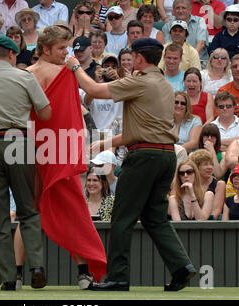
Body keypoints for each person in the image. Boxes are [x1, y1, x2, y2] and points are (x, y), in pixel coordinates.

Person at [67, 37, 196, 291]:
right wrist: (105, 143)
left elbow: (93, 90)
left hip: (144, 157)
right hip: (166, 155)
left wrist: (74, 66)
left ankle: (118, 277)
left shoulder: (139, 81)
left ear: (138, 58)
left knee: (122, 217)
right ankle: (182, 267)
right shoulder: (166, 86)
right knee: (154, 218)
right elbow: (141, 131)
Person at [0, 35, 50, 290]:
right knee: (27, 208)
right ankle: (36, 265)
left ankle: (8, 277)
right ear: (13, 55)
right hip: (18, 141)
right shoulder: (24, 77)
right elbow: (46, 112)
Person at [28, 26, 108, 289]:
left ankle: (15, 277)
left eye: (68, 48)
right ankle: (84, 272)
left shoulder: (25, 75)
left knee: (28, 215)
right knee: (75, 211)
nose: (67, 53)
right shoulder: (66, 72)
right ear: (46, 49)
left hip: (33, 150)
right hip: (59, 152)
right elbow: (89, 96)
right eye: (62, 48)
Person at [162, 0, 209, 65]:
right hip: (175, 63)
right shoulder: (167, 26)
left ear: (190, 10)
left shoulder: (200, 21)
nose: (180, 11)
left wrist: (190, 60)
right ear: (173, 11)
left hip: (199, 61)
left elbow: (201, 44)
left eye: (183, 8)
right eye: (177, 8)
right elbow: (169, 47)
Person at [189, 148, 226, 220]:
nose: (209, 167)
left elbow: (216, 211)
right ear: (196, 167)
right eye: (205, 164)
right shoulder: (190, 183)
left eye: (211, 164)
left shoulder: (220, 184)